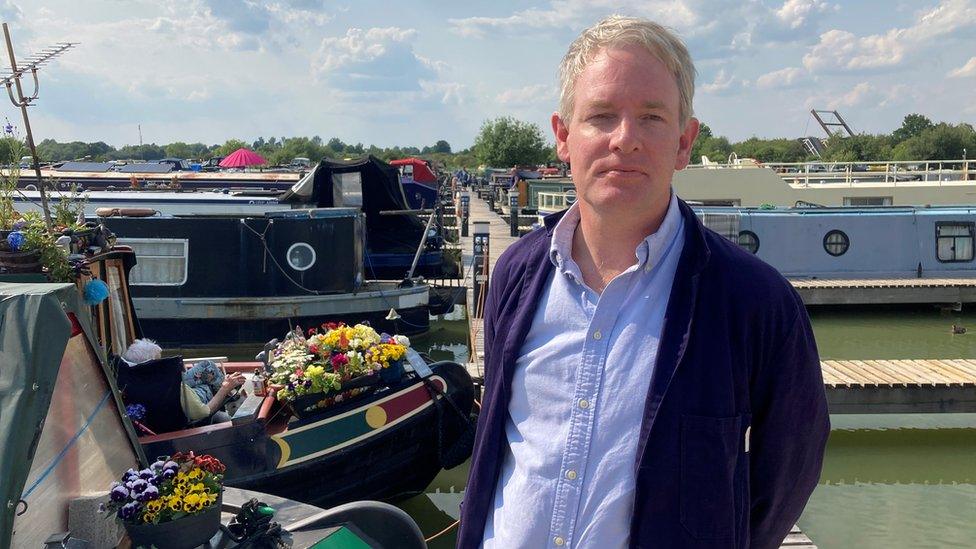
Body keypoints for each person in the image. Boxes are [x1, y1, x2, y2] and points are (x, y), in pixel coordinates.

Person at [459, 15, 830, 549]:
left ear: (684, 141)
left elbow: (789, 467)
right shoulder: (517, 273)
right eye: (602, 116)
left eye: (652, 118)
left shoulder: (755, 302)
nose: (624, 140)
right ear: (564, 136)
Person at [121, 338, 245, 424]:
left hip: (168, 406)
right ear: (154, 365)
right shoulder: (174, 387)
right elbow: (204, 412)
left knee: (207, 368)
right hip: (193, 401)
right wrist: (225, 388)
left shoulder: (130, 384)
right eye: (159, 361)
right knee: (208, 383)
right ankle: (234, 396)